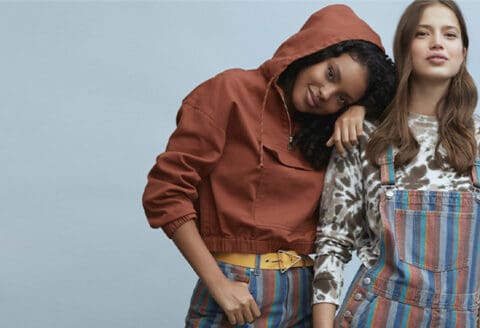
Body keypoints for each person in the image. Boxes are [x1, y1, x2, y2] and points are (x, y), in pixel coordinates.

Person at [142, 4, 396, 327]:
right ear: (315, 48)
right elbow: (164, 193)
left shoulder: (328, 132)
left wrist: (362, 112)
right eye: (331, 74)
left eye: (342, 98)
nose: (326, 93)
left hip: (305, 296)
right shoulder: (230, 92)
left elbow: (414, 114)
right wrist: (218, 283)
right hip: (241, 294)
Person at [312, 0, 479, 327]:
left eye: (450, 34)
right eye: (422, 33)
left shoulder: (478, 138)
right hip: (377, 317)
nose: (437, 43)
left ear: (462, 52)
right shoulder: (364, 137)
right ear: (404, 48)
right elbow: (332, 245)